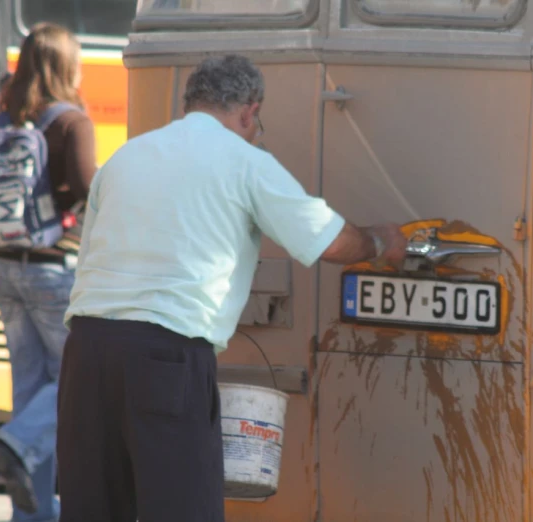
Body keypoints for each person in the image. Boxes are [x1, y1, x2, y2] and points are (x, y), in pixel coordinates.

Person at [56, 54, 407, 522]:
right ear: (249, 112)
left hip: (87, 350)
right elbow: (329, 240)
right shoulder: (245, 162)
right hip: (167, 355)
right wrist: (381, 241)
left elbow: (90, 252)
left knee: (92, 509)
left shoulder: (128, 156)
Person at [0, 22, 97, 522]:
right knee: (80, 379)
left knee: (31, 389)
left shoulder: (8, 118)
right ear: (67, 65)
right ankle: (16, 441)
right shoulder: (70, 121)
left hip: (5, 270)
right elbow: (87, 188)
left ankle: (30, 516)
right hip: (55, 269)